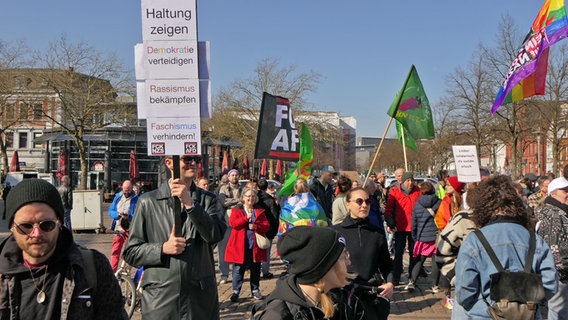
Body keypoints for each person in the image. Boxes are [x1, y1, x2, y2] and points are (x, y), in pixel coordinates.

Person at [0, 179, 127, 319]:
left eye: (46, 225)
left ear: (59, 222)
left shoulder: (92, 267)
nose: (36, 234)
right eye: (26, 226)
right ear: (12, 226)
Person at [122, 155, 226, 320]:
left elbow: (214, 235)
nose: (193, 163)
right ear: (169, 162)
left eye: (197, 159)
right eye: (187, 159)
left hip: (198, 300)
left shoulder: (209, 200)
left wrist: (190, 204)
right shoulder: (148, 202)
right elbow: (131, 252)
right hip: (161, 299)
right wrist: (162, 248)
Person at [453, 175, 558, 319]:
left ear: (483, 206)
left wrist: (481, 306)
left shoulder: (475, 241)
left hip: (485, 315)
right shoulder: (534, 239)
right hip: (527, 315)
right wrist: (528, 301)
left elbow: (463, 292)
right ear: (516, 204)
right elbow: (550, 285)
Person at [254, 226, 351, 320]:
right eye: (343, 256)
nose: (349, 262)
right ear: (321, 267)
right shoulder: (278, 315)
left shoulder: (333, 298)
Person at [332, 187, 394, 319]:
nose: (364, 205)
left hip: (370, 296)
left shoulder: (376, 233)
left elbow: (386, 263)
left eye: (368, 201)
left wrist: (390, 283)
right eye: (359, 201)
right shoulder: (336, 232)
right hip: (344, 296)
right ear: (348, 204)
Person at [436, 182, 479, 309]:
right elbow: (441, 217)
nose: (447, 186)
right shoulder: (447, 200)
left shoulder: (460, 198)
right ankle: (448, 296)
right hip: (453, 238)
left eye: (450, 184)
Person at [225, 187, 270, 302]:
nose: (250, 198)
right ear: (243, 198)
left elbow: (266, 226)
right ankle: (236, 291)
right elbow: (233, 223)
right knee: (238, 269)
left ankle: (255, 290)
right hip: (240, 245)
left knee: (255, 269)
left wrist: (256, 227)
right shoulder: (237, 210)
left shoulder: (259, 210)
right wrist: (246, 218)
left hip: (255, 246)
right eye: (248, 196)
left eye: (253, 196)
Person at [534, 177, 568, 319]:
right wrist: (563, 271)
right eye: (564, 191)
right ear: (552, 194)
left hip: (554, 275)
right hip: (559, 277)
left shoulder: (557, 212)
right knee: (559, 313)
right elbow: (555, 249)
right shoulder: (554, 215)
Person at [384, 171, 420, 285]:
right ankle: (396, 276)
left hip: (414, 227)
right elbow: (388, 210)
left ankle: (412, 277)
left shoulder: (417, 192)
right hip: (400, 227)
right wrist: (390, 222)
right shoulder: (395, 192)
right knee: (398, 253)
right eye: (408, 181)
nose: (410, 183)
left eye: (411, 180)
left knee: (413, 254)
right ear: (403, 182)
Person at [406, 182, 442, 292]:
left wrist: (415, 237)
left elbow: (414, 223)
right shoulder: (439, 203)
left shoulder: (417, 204)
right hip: (436, 237)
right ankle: (435, 285)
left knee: (419, 261)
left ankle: (412, 282)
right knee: (435, 262)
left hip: (422, 237)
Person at [108, 179, 139, 272]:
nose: (127, 192)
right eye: (125, 190)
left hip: (130, 229)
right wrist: (118, 214)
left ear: (131, 189)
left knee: (130, 251)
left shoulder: (137, 199)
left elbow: (138, 214)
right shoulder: (117, 197)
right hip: (118, 228)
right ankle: (113, 272)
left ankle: (127, 271)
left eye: (129, 190)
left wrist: (129, 217)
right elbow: (110, 211)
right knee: (115, 251)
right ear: (122, 188)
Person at [217, 168, 242, 284]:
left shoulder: (243, 188)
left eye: (236, 175)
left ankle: (236, 274)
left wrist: (234, 201)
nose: (234, 177)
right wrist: (237, 201)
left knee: (237, 248)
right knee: (223, 248)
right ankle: (224, 274)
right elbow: (224, 202)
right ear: (229, 177)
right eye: (232, 175)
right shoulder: (223, 188)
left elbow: (245, 201)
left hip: (239, 221)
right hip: (226, 222)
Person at [257, 178, 281, 279]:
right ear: (267, 187)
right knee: (266, 251)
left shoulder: (254, 198)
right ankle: (265, 271)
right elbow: (275, 216)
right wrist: (274, 230)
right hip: (268, 228)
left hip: (256, 227)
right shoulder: (270, 200)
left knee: (256, 250)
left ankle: (255, 270)